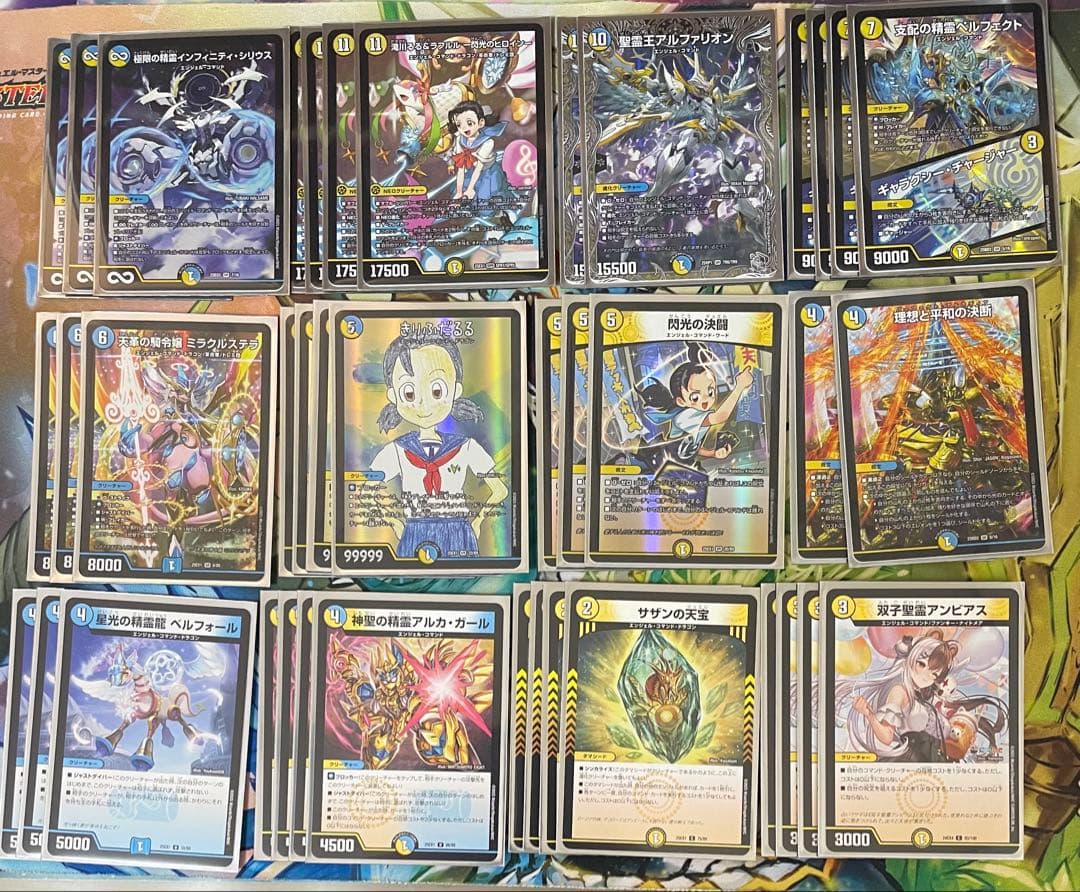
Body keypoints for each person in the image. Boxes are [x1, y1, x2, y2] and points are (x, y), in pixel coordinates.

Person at [363, 331, 508, 560]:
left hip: (458, 532)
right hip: (415, 531)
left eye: (436, 391)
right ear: (393, 395)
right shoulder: (398, 450)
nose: (423, 403)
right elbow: (368, 490)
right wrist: (395, 523)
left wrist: (478, 521)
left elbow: (500, 490)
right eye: (409, 392)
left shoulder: (465, 447)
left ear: (456, 390)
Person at [446, 99, 509, 202]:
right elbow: (461, 168)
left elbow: (479, 168)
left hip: (488, 173)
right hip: (472, 172)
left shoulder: (488, 142)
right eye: (459, 125)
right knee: (459, 192)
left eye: (469, 123)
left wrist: (469, 190)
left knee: (483, 199)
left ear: (481, 123)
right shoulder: (460, 139)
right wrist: (459, 192)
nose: (464, 128)